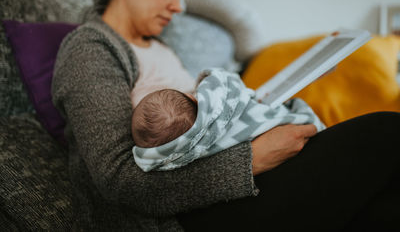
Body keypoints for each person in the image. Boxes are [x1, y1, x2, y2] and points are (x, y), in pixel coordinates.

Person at [51, 0, 400, 230]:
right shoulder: (89, 48)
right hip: (182, 214)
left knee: (383, 206)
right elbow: (120, 181)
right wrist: (253, 159)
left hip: (230, 181)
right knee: (385, 131)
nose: (179, 7)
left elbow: (210, 114)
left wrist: (301, 75)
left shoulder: (160, 47)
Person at [132, 68, 325, 172]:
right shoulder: (214, 102)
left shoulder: (179, 154)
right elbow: (229, 88)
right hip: (284, 132)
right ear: (193, 97)